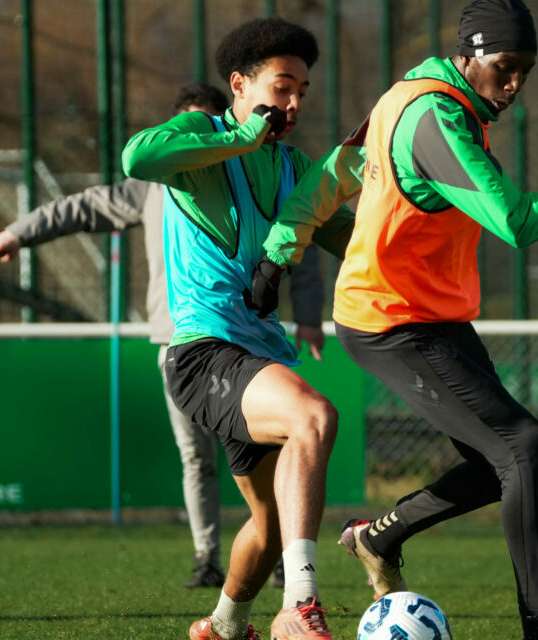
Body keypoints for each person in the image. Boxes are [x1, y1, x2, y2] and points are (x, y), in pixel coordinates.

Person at [252, 1, 538, 639]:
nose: (513, 84)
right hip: (386, 319)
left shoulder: (412, 92)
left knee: (500, 463)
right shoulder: (436, 121)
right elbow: (520, 221)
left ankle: (379, 537)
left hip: (431, 316)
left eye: (525, 72)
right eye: (504, 67)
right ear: (469, 56)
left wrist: (278, 256)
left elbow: (335, 171)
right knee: (526, 445)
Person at [0, 83, 325, 592]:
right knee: (195, 457)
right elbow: (83, 207)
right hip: (184, 346)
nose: (192, 140)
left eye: (202, 128)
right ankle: (208, 555)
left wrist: (311, 316)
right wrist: (18, 232)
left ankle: (271, 551)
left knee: (269, 447)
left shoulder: (261, 170)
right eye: (181, 130)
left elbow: (306, 238)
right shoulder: (153, 183)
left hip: (249, 342)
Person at [122, 17, 354, 640]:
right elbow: (137, 155)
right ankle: (301, 604)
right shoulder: (204, 134)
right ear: (239, 84)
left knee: (273, 526)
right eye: (282, 88)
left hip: (256, 357)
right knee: (316, 417)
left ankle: (225, 626)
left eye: (303, 91)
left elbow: (350, 236)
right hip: (201, 351)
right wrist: (247, 136)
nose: (294, 103)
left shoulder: (291, 167)